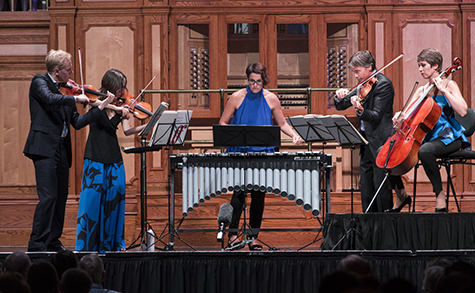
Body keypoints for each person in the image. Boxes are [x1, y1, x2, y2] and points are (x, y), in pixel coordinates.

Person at [23, 49, 115, 252]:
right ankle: (37, 244)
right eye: (68, 70)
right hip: (44, 149)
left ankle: (53, 241)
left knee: (61, 197)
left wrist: (100, 107)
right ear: (57, 71)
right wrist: (75, 99)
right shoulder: (40, 82)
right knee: (48, 197)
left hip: (61, 150)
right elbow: (48, 98)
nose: (71, 74)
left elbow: (78, 123)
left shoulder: (67, 92)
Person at [219, 62, 302, 250]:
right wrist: (232, 136)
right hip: (240, 153)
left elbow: (282, 124)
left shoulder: (272, 98)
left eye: (258, 81)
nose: (254, 85)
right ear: (247, 79)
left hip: (262, 153)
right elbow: (223, 122)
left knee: (259, 196)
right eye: (251, 81)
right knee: (238, 195)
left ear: (263, 80)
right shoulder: (236, 97)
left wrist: (294, 135)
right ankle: (232, 236)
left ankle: (253, 237)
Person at [389, 48, 469, 213]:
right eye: (419, 65)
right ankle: (401, 194)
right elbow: (407, 114)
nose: (420, 69)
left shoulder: (449, 84)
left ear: (435, 66)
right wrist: (399, 116)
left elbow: (463, 111)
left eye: (423, 65)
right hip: (426, 136)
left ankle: (439, 195)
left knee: (425, 151)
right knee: (389, 151)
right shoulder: (421, 90)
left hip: (449, 137)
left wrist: (444, 90)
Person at [75, 69, 146, 252]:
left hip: (114, 159)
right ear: (111, 86)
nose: (123, 91)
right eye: (120, 87)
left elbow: (128, 130)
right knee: (92, 204)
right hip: (95, 159)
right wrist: (116, 107)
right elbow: (99, 104)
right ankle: (88, 247)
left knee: (114, 203)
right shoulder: (95, 100)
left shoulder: (122, 106)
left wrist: (146, 126)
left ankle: (112, 245)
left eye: (124, 87)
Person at [334, 50, 395, 212]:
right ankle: (369, 228)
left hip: (381, 142)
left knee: (380, 187)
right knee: (366, 187)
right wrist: (339, 96)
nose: (355, 76)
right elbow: (341, 105)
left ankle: (385, 228)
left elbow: (375, 116)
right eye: (353, 72)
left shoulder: (383, 84)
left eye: (357, 71)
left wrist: (359, 108)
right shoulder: (363, 83)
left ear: (369, 67)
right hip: (366, 142)